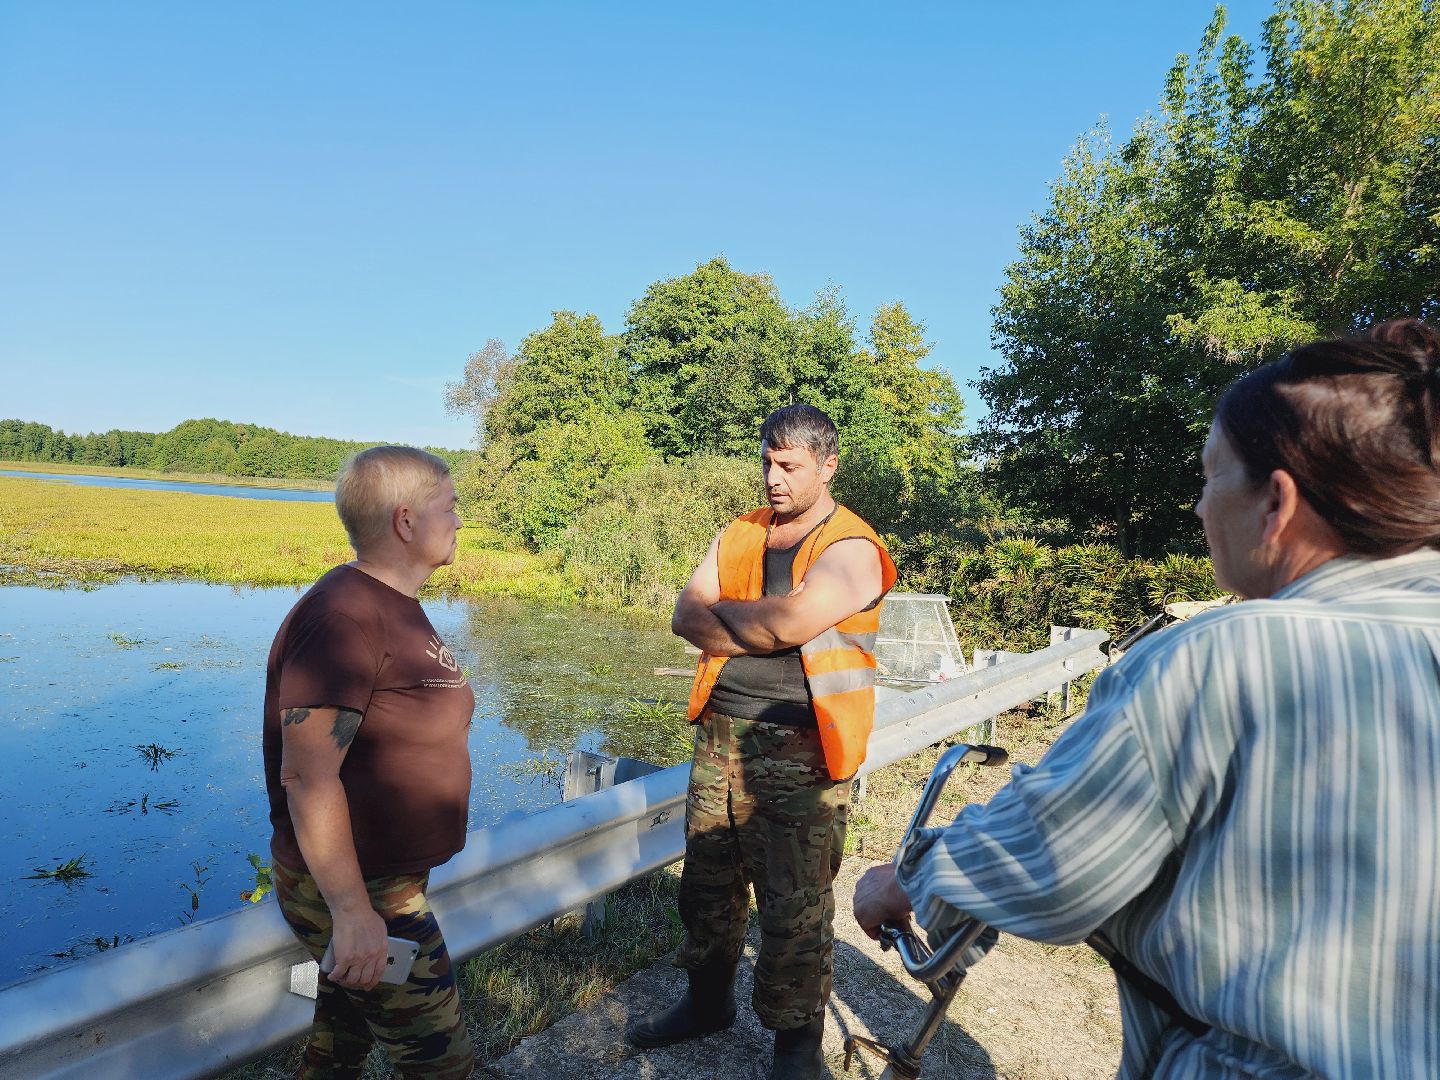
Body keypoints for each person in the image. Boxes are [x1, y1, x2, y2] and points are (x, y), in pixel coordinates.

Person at [854, 320, 1440, 1078]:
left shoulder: (1221, 658)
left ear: (1278, 504)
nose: (1199, 510)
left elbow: (1054, 861)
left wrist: (908, 878)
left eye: (1210, 477)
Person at [626, 403, 897, 1079]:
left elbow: (792, 623)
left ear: (827, 465)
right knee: (708, 885)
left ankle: (796, 1048)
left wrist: (741, 621)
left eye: (789, 465)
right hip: (720, 735)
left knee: (795, 905)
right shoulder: (743, 531)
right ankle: (707, 1002)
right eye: (767, 462)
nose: (773, 478)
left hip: (803, 751)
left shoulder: (852, 547)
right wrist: (755, 623)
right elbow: (684, 614)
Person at [262, 445, 475, 1080]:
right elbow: (306, 774)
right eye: (451, 506)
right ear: (406, 522)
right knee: (443, 1064)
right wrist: (353, 912)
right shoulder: (343, 617)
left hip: (385, 879)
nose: (461, 520)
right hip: (363, 891)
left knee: (340, 1046)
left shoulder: (388, 604)